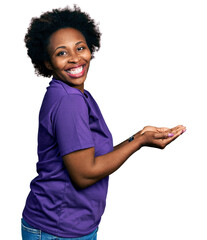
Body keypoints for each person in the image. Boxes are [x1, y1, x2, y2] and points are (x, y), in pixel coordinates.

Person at [21, 5, 186, 240]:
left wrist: (138, 136)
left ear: (91, 48)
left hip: (68, 226)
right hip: (57, 230)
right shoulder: (69, 101)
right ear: (47, 63)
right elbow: (84, 174)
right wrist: (139, 143)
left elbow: (92, 159)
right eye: (61, 53)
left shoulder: (74, 95)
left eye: (80, 48)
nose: (75, 58)